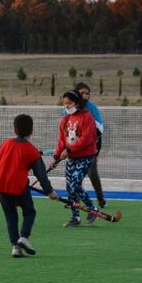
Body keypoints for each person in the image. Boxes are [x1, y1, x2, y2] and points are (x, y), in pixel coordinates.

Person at [0, 114, 59, 257]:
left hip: (1, 185)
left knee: (11, 217)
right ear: (31, 130)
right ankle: (24, 238)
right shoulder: (31, 150)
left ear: (14, 130)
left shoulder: (5, 144)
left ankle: (16, 247)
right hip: (19, 186)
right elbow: (41, 174)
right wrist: (50, 192)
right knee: (29, 212)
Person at [49, 90, 98, 227]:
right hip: (71, 158)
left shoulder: (87, 116)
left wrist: (69, 149)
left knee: (75, 184)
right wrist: (56, 157)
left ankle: (92, 208)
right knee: (70, 189)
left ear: (77, 102)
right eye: (64, 103)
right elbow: (61, 141)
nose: (66, 106)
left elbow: (87, 139)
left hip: (86, 157)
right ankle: (75, 217)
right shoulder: (65, 119)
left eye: (69, 103)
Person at [75, 81, 106, 207]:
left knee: (91, 171)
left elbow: (99, 128)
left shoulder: (92, 108)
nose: (85, 95)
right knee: (75, 172)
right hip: (75, 144)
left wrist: (85, 139)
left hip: (93, 143)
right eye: (82, 93)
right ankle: (75, 200)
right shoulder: (69, 107)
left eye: (87, 93)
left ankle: (100, 198)